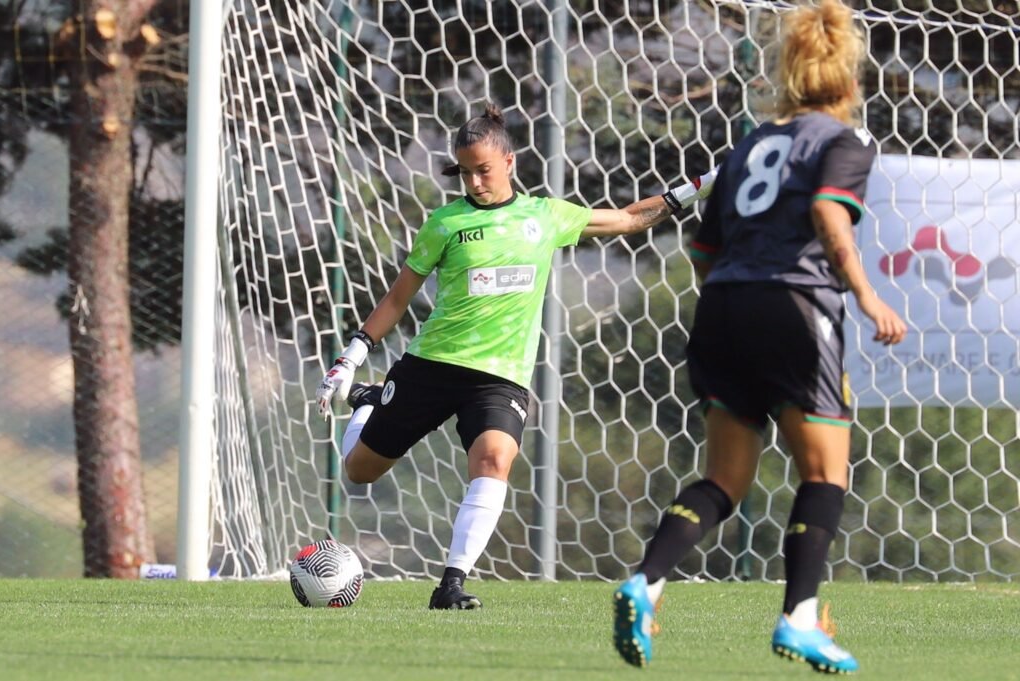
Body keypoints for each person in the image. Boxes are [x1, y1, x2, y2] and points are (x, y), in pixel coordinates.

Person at [316, 102, 717, 610]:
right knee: (360, 471)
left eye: (482, 170)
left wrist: (700, 187)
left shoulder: (544, 216)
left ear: (509, 161)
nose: (475, 182)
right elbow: (398, 298)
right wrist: (354, 354)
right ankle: (371, 404)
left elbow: (631, 220)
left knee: (494, 459)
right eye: (465, 173)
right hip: (432, 365)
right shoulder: (445, 223)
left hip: (499, 377)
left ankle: (451, 584)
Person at [611, 0, 907, 673]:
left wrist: (730, 297)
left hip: (721, 307)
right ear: (848, 76)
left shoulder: (748, 144)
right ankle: (800, 617)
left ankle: (644, 582)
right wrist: (866, 295)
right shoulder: (847, 140)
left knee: (723, 477)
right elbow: (830, 212)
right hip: (795, 305)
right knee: (826, 469)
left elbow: (702, 241)